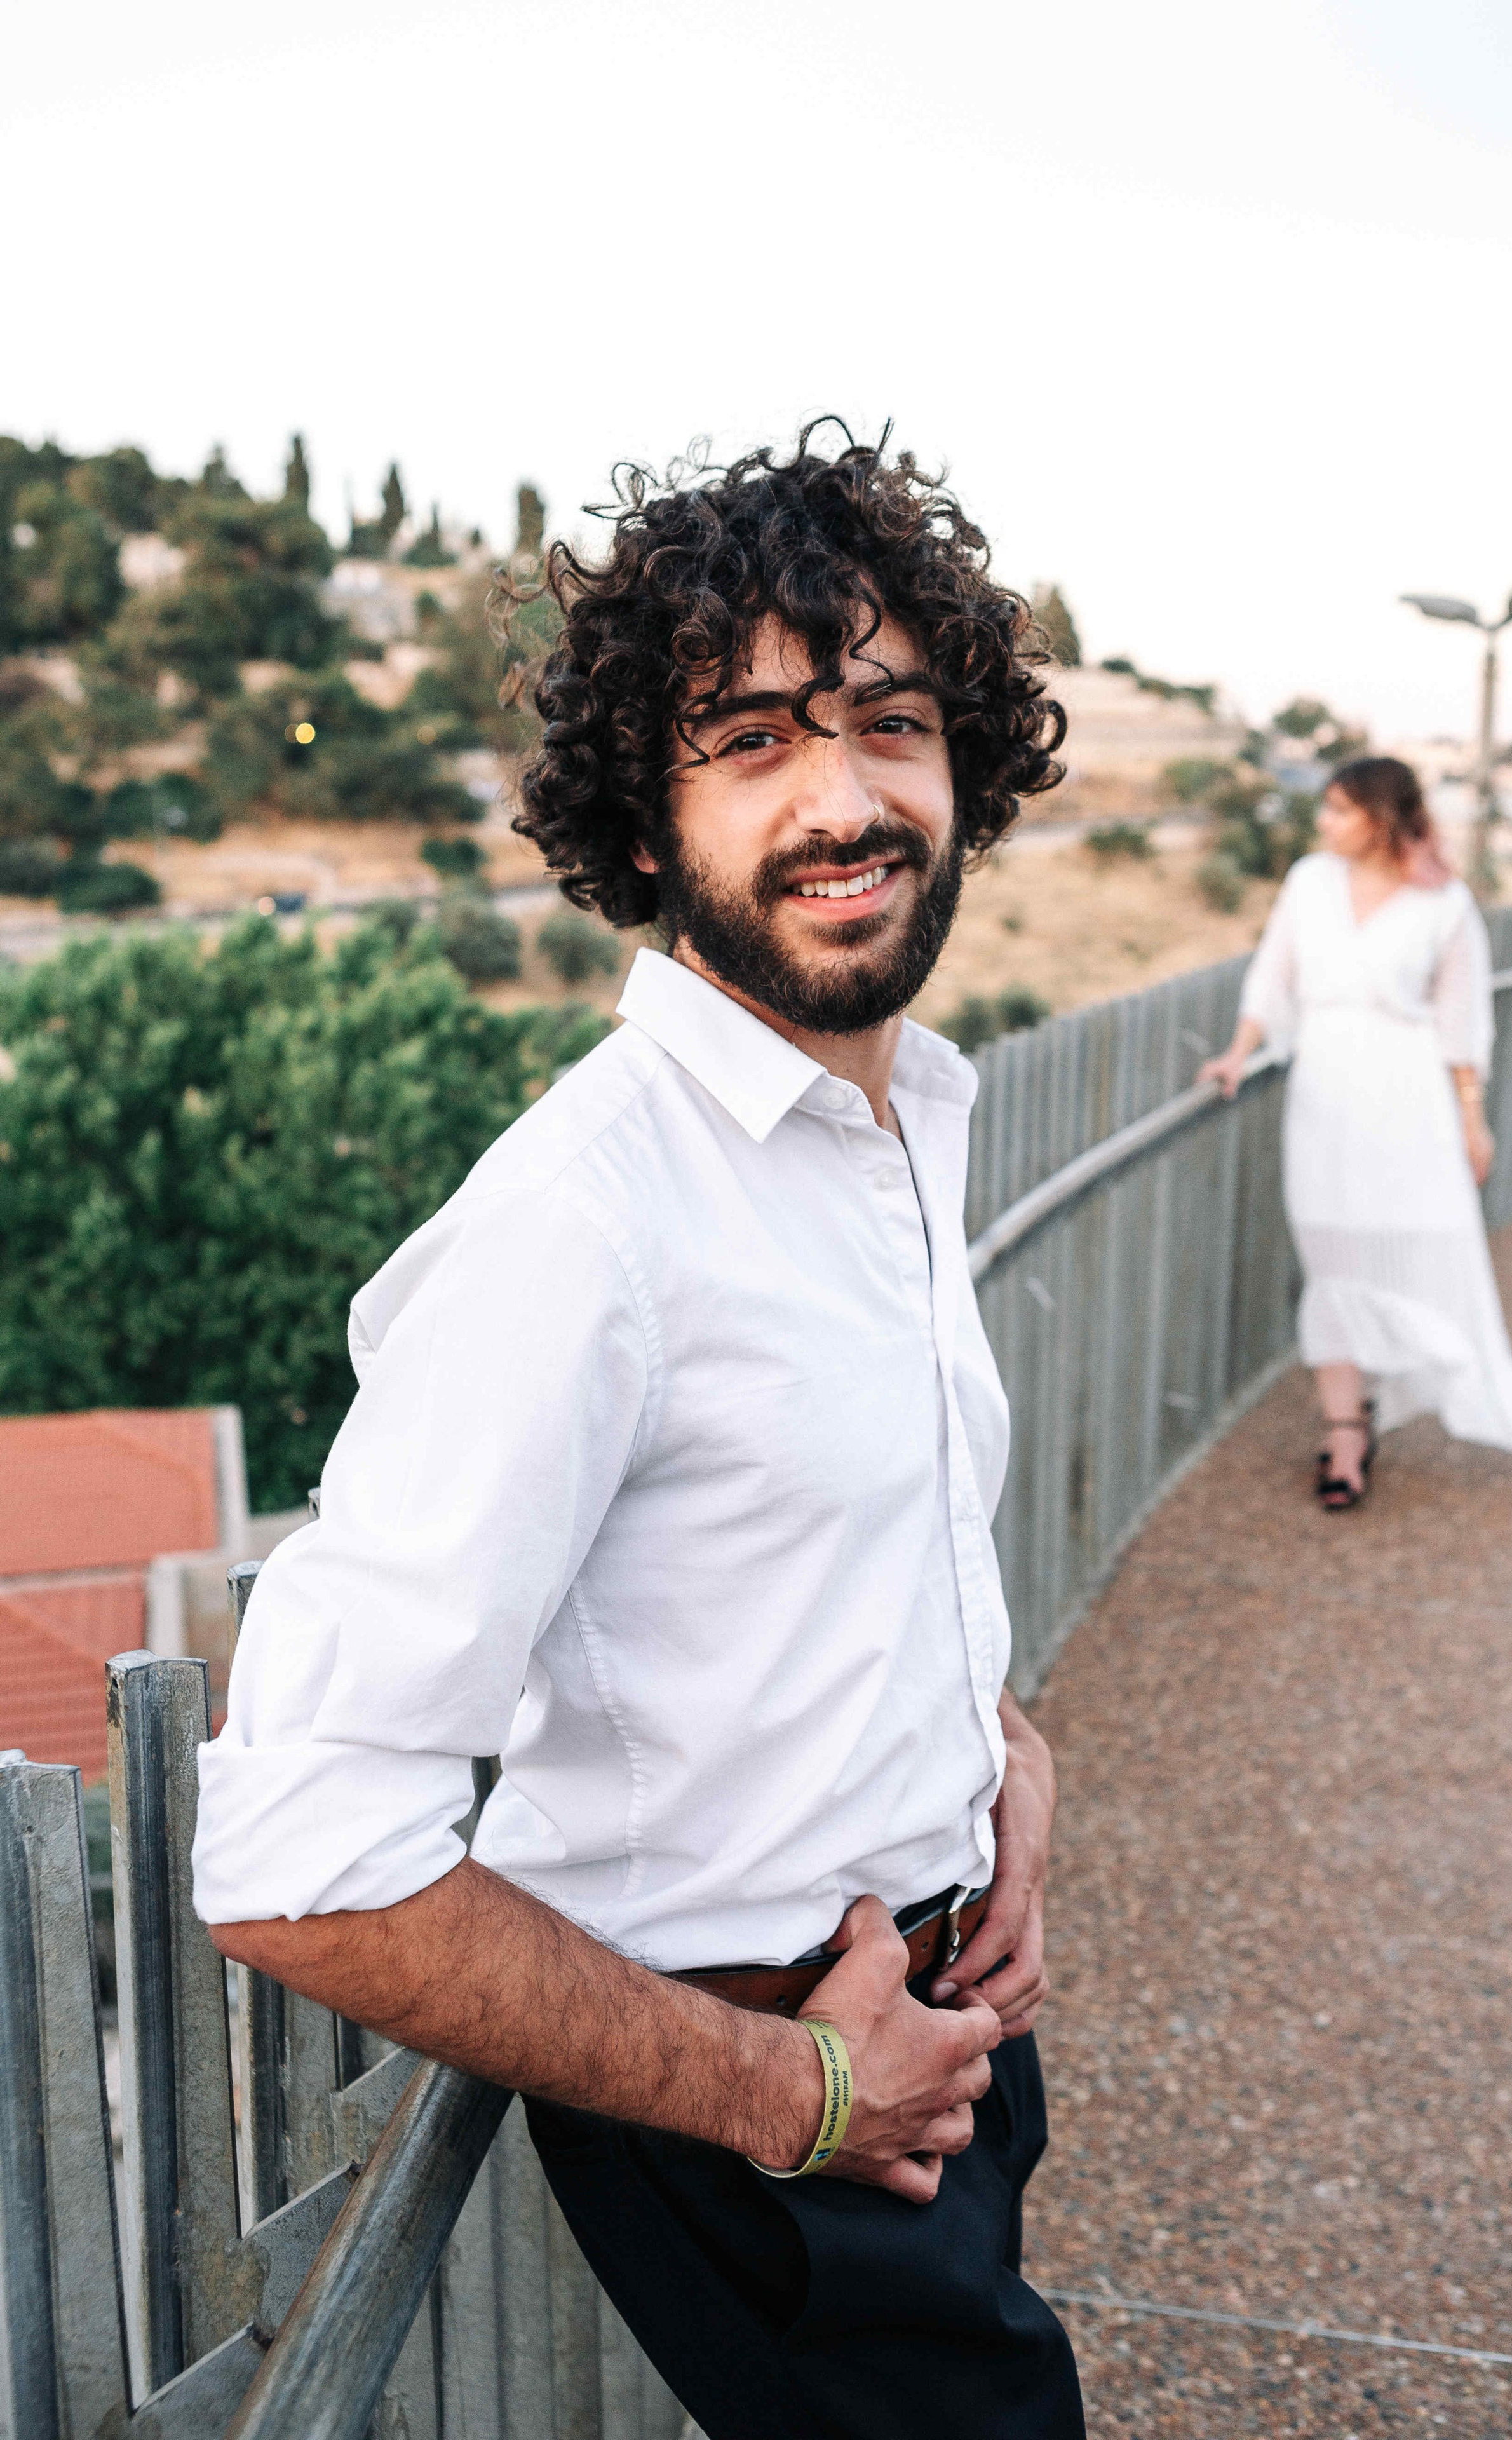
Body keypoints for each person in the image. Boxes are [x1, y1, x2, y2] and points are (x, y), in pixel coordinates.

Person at [192, 427, 1088, 2437]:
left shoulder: (891, 1111)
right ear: (647, 813)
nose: (844, 797)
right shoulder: (581, 1222)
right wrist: (794, 2093)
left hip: (927, 2033)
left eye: (888, 720)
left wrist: (997, 1755)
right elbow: (290, 1848)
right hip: (771, 2123)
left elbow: (836, 1542)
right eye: (754, 739)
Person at [1200, 755, 1512, 1508]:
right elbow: (1271, 974)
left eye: (1337, 809)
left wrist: (1471, 1121)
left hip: (1409, 1098)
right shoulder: (1308, 881)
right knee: (1333, 1260)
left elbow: (1461, 1023)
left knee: (1411, 1247)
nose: (1322, 822)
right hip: (1325, 1093)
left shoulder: (1444, 904)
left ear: (1381, 819)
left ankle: (1397, 1390)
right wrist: (1238, 1050)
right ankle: (1344, 1432)